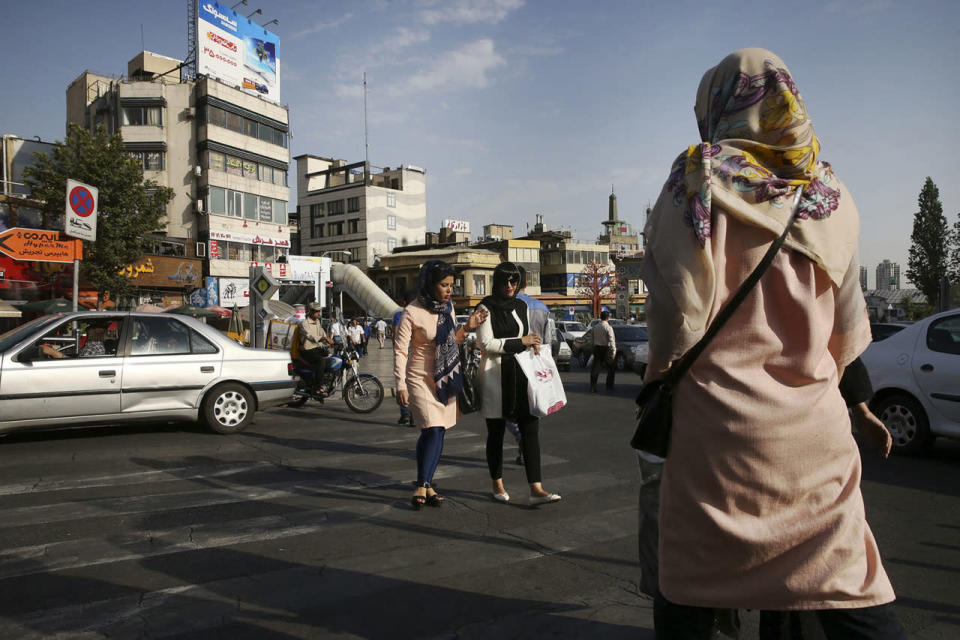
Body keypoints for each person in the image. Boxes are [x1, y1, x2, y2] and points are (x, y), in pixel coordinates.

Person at [641, 48, 905, 638]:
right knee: (844, 586)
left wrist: (659, 378)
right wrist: (856, 403)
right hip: (814, 445)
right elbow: (845, 328)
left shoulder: (696, 180)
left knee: (688, 588)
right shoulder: (830, 194)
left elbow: (673, 321)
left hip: (716, 439)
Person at [393, 260, 487, 510]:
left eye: (451, 286)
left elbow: (452, 342)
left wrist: (468, 327)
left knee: (439, 430)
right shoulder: (412, 311)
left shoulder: (448, 308)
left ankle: (427, 484)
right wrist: (400, 383)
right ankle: (422, 483)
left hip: (444, 373)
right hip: (419, 375)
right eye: (444, 285)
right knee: (431, 428)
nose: (449, 290)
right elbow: (401, 349)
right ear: (429, 284)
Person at [476, 261, 561, 505]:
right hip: (495, 376)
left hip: (522, 373)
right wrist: (521, 341)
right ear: (497, 282)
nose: (511, 286)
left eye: (515, 281)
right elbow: (486, 344)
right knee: (496, 432)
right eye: (506, 281)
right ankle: (497, 483)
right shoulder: (485, 307)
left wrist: (532, 342)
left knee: (531, 428)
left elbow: (524, 337)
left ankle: (537, 488)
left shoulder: (521, 306)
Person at [508, 265, 557, 466]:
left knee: (508, 410)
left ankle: (523, 442)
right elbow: (549, 339)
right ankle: (527, 445)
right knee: (532, 408)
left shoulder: (506, 306)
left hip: (512, 362)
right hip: (536, 362)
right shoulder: (542, 307)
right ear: (527, 282)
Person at [293, 302, 333, 396]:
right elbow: (310, 336)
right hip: (307, 350)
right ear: (310, 311)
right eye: (316, 311)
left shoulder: (318, 322)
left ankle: (326, 380)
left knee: (330, 357)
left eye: (319, 311)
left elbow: (322, 334)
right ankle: (318, 388)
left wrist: (331, 341)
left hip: (316, 348)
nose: (318, 313)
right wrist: (324, 339)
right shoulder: (304, 323)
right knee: (321, 361)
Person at [588, 310, 616, 392]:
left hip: (597, 348)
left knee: (595, 368)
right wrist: (614, 351)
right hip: (606, 349)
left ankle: (593, 387)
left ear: (600, 317)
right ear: (608, 318)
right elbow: (612, 340)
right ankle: (609, 385)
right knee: (611, 367)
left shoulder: (595, 327)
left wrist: (593, 349)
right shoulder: (608, 327)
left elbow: (592, 339)